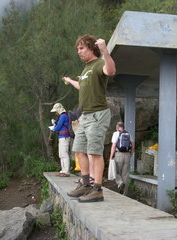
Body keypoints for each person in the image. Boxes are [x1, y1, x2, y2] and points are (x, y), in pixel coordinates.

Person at [63, 35, 116, 203]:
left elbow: (111, 71)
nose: (79, 51)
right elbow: (82, 86)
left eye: (81, 48)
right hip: (85, 115)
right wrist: (71, 80)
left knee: (94, 151)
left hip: (98, 114)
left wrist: (105, 51)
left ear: (91, 48)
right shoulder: (86, 69)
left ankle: (97, 189)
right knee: (79, 149)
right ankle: (85, 184)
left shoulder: (99, 63)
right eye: (77, 49)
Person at [109, 122, 134, 195]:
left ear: (117, 127)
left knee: (116, 171)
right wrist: (130, 155)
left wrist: (111, 156)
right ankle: (124, 194)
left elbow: (113, 146)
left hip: (118, 154)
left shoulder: (116, 133)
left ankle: (120, 183)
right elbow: (133, 146)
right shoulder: (128, 134)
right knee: (125, 175)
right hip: (127, 155)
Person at [49, 103, 71, 177]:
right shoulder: (63, 116)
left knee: (64, 154)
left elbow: (58, 127)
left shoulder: (63, 116)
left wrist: (53, 128)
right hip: (62, 137)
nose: (55, 113)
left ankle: (66, 171)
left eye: (56, 111)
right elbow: (60, 125)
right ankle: (63, 170)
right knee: (61, 154)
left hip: (64, 137)